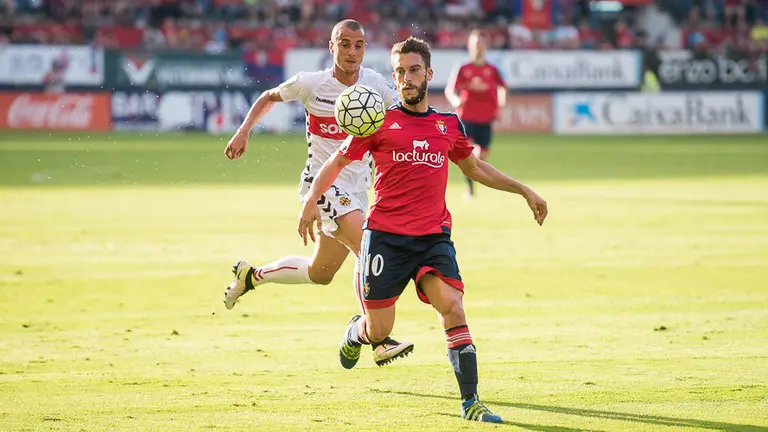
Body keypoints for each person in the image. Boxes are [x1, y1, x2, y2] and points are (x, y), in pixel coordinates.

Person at [298, 37, 548, 423]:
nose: (405, 78)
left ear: (429, 74)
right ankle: (356, 333)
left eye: (413, 70)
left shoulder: (447, 124)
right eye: (399, 72)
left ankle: (471, 402)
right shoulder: (377, 121)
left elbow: (475, 168)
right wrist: (312, 199)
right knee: (380, 328)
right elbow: (334, 161)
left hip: (433, 238)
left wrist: (523, 190)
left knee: (453, 306)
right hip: (385, 239)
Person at [223, 19, 413, 367]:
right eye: (344, 44)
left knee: (320, 273)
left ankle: (251, 277)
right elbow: (269, 96)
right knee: (368, 249)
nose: (351, 51)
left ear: (365, 49)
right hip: (321, 184)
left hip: (358, 189)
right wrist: (244, 131)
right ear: (331, 47)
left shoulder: (375, 85)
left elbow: (403, 118)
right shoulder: (313, 84)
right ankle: (376, 338)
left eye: (358, 45)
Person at [444, 29, 507, 198]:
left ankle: (474, 180)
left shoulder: (492, 69)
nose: (478, 45)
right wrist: (456, 101)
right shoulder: (463, 68)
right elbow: (450, 90)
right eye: (475, 42)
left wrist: (500, 105)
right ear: (469, 45)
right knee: (468, 155)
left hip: (486, 118)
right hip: (467, 117)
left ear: (486, 45)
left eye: (481, 42)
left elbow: (502, 87)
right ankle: (471, 190)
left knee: (482, 156)